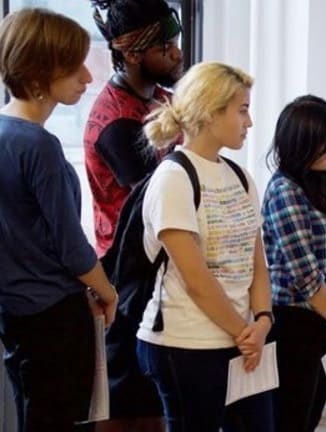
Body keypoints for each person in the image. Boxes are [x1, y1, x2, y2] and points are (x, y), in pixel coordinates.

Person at [135, 61, 274, 432]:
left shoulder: (240, 176)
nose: (250, 122)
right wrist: (244, 333)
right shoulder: (173, 178)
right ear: (211, 113)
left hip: (242, 340)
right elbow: (195, 279)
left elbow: (256, 261)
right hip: (186, 343)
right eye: (242, 110)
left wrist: (262, 321)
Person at [0, 8, 118, 431]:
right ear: (38, 74)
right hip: (54, 315)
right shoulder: (40, 146)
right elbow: (71, 246)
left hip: (14, 311)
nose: (87, 78)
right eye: (74, 67)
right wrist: (107, 292)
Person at [84, 2, 184, 430]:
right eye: (166, 46)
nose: (177, 53)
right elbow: (161, 200)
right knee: (133, 408)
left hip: (160, 268)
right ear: (132, 53)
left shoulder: (161, 99)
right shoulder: (116, 122)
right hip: (127, 277)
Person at [262, 95, 326, 432]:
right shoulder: (284, 191)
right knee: (290, 417)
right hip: (295, 321)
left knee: (309, 418)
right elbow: (305, 277)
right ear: (300, 145)